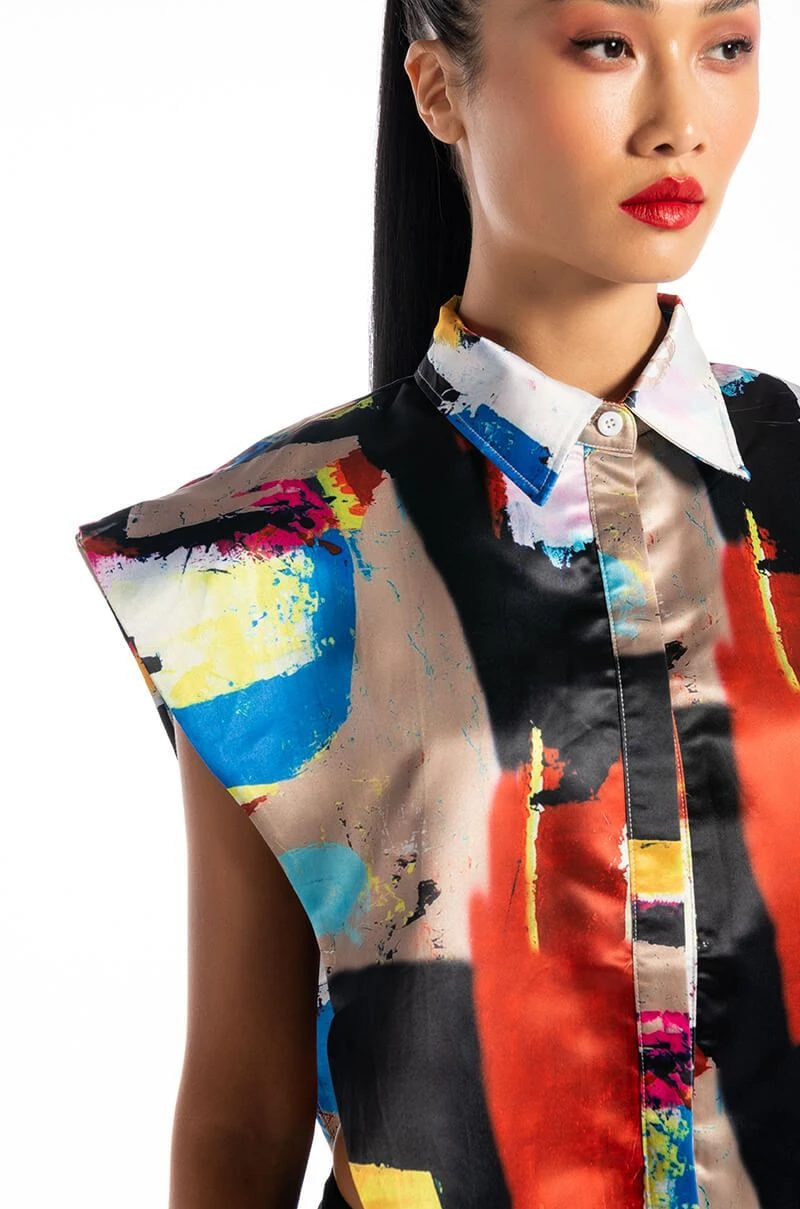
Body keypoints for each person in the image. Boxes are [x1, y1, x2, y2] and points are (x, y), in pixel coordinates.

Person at [73, 0, 800, 1206]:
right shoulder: (267, 561)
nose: (680, 120)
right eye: (606, 45)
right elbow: (243, 1113)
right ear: (438, 88)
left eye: (724, 46)